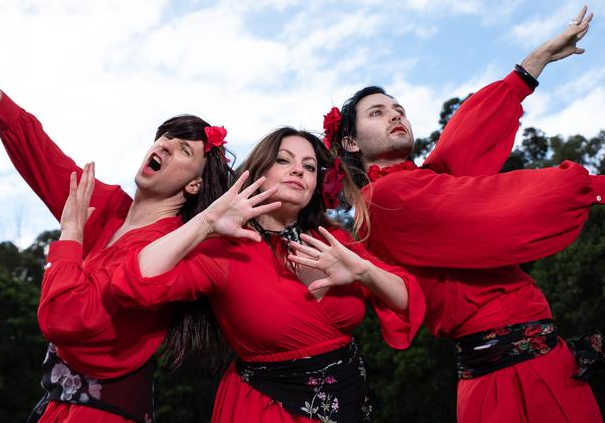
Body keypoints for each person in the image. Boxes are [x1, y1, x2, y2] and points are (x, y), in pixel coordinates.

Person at [322, 6, 604, 422]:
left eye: (398, 108)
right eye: (377, 113)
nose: (395, 114)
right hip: (513, 380)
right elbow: (497, 204)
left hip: (529, 365)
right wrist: (594, 187)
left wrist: (536, 60)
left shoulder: (415, 183)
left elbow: (465, 139)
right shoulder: (392, 195)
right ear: (349, 143)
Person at [0, 8, 233, 423]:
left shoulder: (169, 245)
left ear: (194, 185)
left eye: (184, 150)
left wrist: (70, 233)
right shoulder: (108, 205)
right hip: (53, 407)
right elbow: (42, 156)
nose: (165, 145)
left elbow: (67, 317)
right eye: (165, 137)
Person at [110, 128, 426, 422]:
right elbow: (134, 281)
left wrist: (363, 271)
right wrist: (206, 224)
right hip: (265, 410)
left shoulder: (334, 240)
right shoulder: (224, 250)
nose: (299, 170)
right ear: (259, 172)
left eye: (310, 167)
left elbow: (407, 299)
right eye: (283, 160)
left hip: (351, 405)